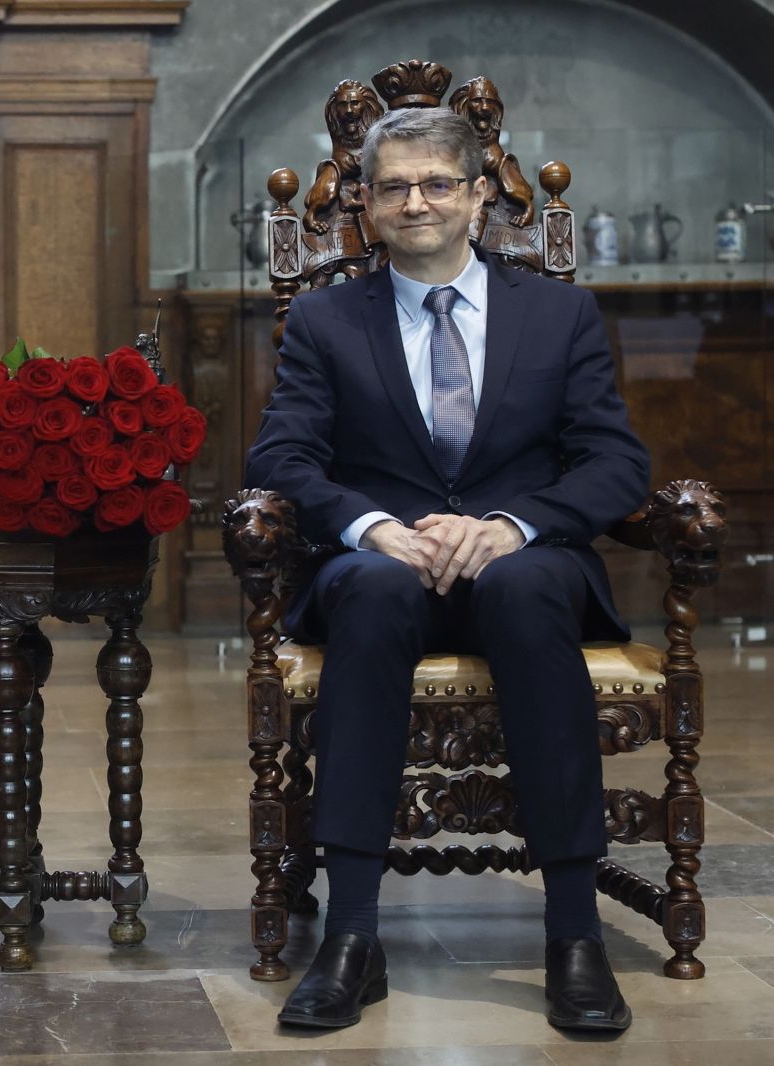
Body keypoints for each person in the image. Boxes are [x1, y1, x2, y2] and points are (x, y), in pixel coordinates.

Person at [244, 107, 648, 1033]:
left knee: (525, 586)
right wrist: (372, 528)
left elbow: (614, 461)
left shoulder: (557, 314)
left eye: (435, 183)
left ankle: (574, 935)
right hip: (383, 566)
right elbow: (280, 458)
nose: (414, 202)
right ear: (364, 203)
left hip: (524, 565)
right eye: (392, 186)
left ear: (475, 198)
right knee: (370, 593)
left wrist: (514, 525)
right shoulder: (324, 320)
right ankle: (351, 937)